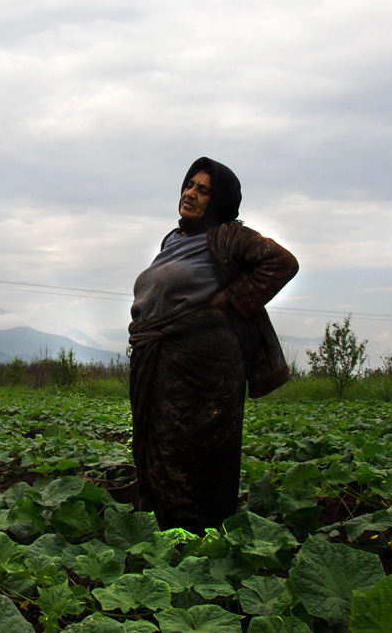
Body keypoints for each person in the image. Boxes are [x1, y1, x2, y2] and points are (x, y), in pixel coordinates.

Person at [128, 157, 298, 534]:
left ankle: (201, 539)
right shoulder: (174, 240)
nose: (190, 193)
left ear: (219, 200)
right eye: (189, 185)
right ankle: (162, 530)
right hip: (158, 359)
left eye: (203, 190)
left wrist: (228, 301)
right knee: (155, 446)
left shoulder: (227, 236)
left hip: (202, 367)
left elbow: (282, 262)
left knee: (195, 455)